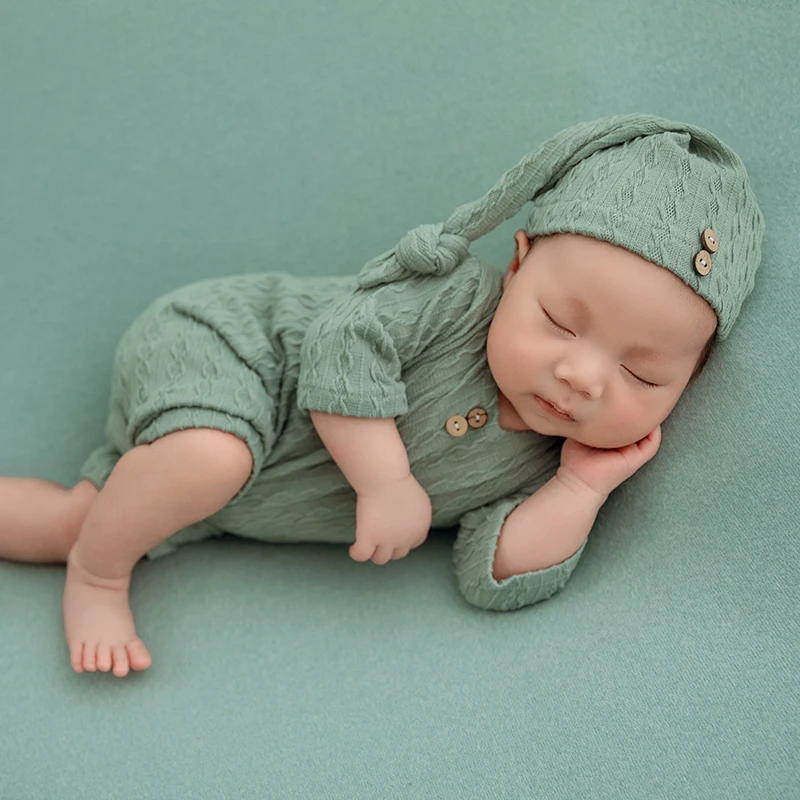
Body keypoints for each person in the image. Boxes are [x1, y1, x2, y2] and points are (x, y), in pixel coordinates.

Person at [0, 113, 764, 678]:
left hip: (228, 491)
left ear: (690, 381)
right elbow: (340, 343)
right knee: (207, 457)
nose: (584, 377)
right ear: (518, 265)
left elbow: (491, 577)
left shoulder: (551, 460)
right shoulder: (455, 298)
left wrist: (578, 488)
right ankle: (99, 576)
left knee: (88, 516)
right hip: (232, 351)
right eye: (560, 323)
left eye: (644, 375)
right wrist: (385, 479)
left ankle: (88, 544)